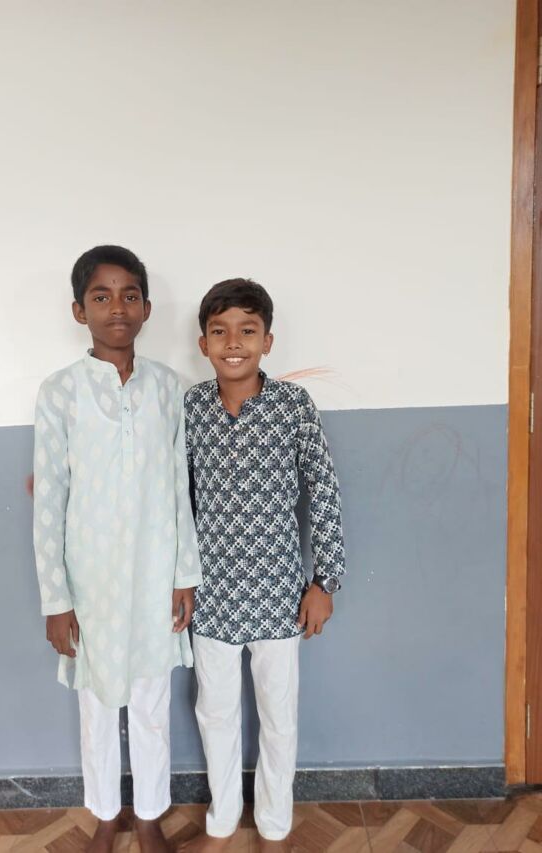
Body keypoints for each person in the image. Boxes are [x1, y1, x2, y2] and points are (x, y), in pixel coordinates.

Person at [32, 245, 202, 853]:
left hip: (155, 576)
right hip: (91, 583)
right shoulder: (60, 392)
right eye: (101, 297)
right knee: (97, 706)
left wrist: (184, 574)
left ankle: (150, 814)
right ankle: (106, 814)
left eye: (129, 295)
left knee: (153, 702)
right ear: (79, 311)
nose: (117, 308)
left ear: (147, 307)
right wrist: (56, 599)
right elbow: (49, 501)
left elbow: (180, 487)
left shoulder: (169, 389)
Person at [181, 279, 345, 852]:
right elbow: (176, 500)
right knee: (215, 714)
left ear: (267, 341)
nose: (234, 343)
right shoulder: (191, 408)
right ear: (203, 344)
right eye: (220, 331)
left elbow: (323, 490)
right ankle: (222, 823)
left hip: (279, 594)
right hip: (211, 595)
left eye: (247, 331)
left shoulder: (292, 406)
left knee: (278, 718)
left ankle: (274, 827)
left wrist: (325, 582)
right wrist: (178, 580)